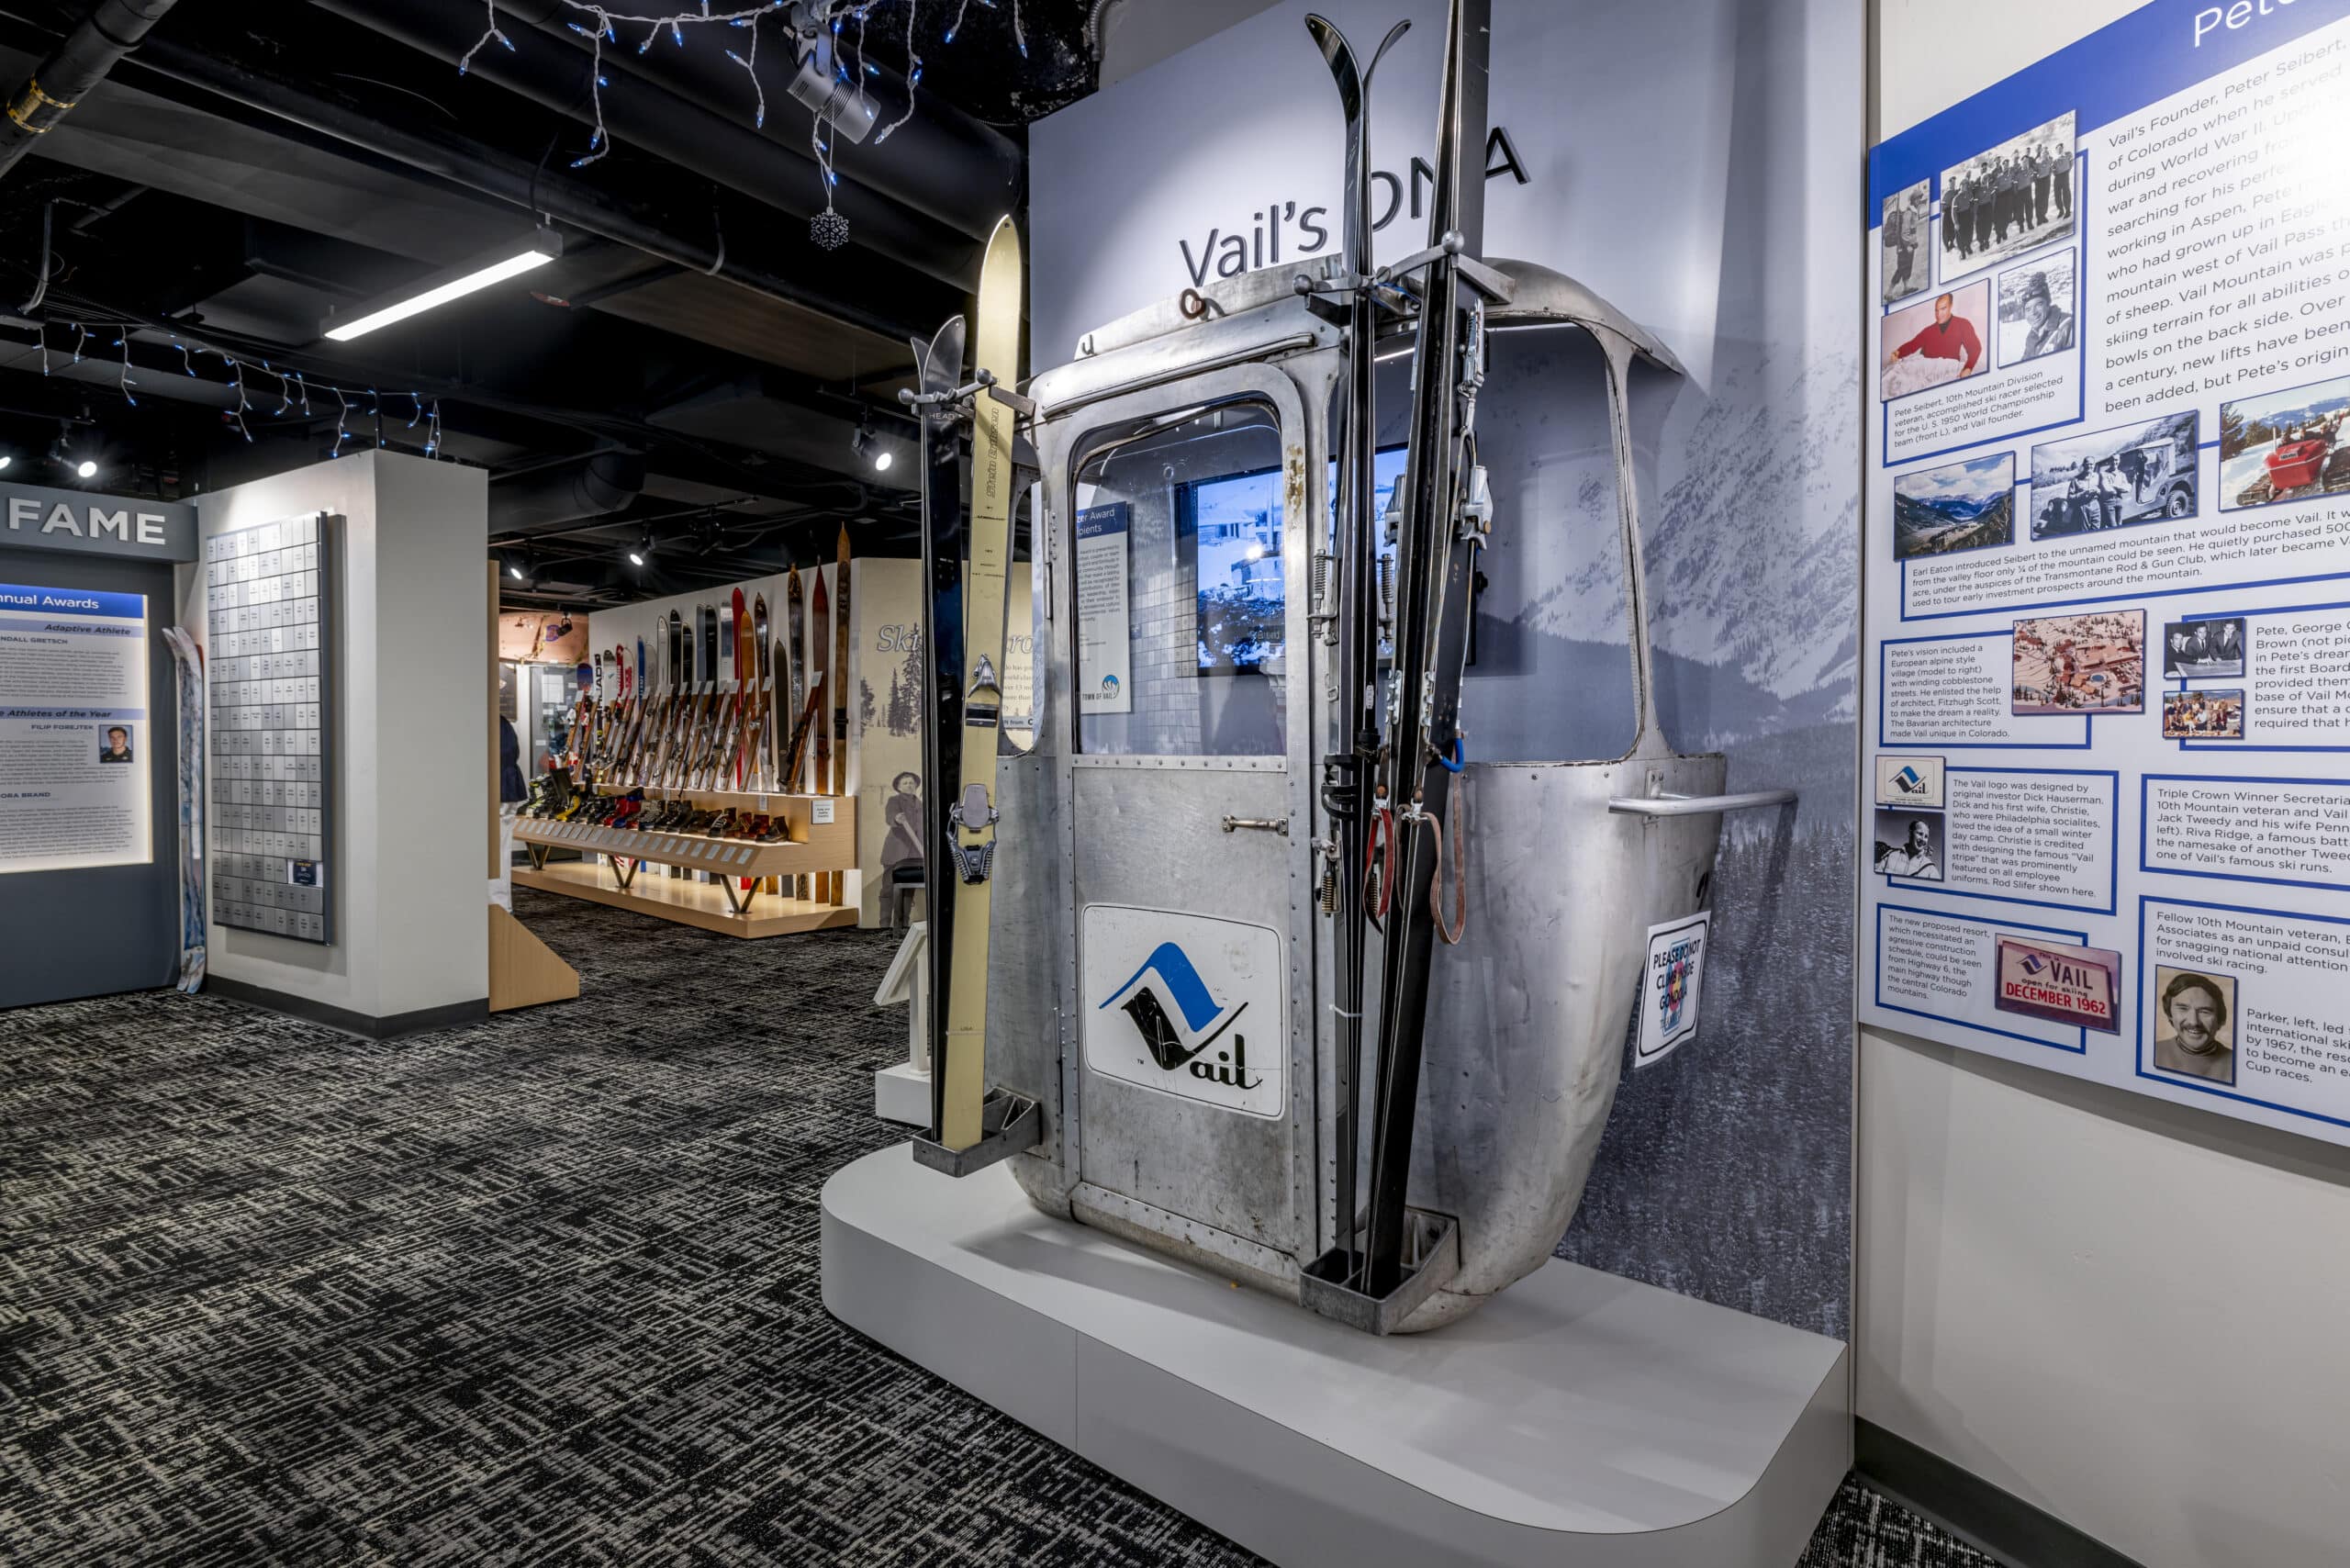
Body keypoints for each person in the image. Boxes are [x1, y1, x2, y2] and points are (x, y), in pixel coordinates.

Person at [2154, 970, 2234, 1082]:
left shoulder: (2236, 1063)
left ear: (2220, 1019)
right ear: (2170, 1014)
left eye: (2205, 1011)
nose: (2194, 1022)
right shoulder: (2153, 1051)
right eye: (2183, 1008)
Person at [1892, 292, 1982, 376]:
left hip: (1948, 371)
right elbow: (1912, 345)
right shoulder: (1928, 331)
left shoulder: (1963, 324)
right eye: (1936, 310)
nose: (1939, 314)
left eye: (1943, 309)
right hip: (1925, 372)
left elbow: (1975, 348)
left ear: (1951, 306)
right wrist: (1898, 353)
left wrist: (1968, 368)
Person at [2017, 270, 2072, 359]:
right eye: (2028, 309)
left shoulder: (2067, 325)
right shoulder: (2031, 337)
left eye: (2039, 305)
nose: (2033, 313)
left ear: (2048, 305)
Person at [1877, 818, 1942, 879]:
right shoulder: (1890, 856)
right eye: (1920, 834)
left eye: (1926, 836)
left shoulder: (1930, 868)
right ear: (1910, 833)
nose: (1923, 839)